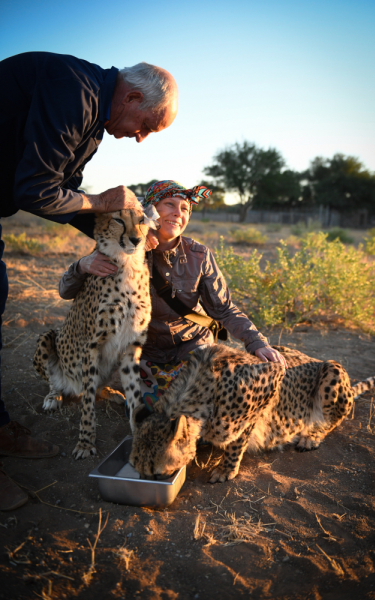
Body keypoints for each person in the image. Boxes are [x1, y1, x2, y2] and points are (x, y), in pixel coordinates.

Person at [0, 53, 178, 510]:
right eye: (146, 127)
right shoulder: (74, 91)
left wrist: (127, 236)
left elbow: (69, 198)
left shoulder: (92, 119)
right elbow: (36, 190)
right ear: (133, 97)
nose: (139, 138)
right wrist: (102, 202)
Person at [59, 180, 287, 410]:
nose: (178, 213)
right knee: (156, 408)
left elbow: (224, 308)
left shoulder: (199, 255)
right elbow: (66, 292)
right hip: (145, 354)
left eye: (185, 208)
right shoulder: (121, 247)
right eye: (169, 204)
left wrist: (256, 343)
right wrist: (82, 265)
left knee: (217, 397)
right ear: (149, 210)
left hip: (193, 347)